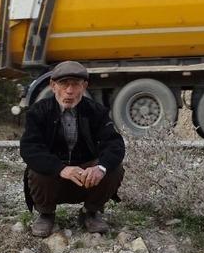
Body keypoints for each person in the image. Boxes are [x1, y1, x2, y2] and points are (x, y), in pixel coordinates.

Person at [20, 61, 126, 237]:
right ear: (53, 86)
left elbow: (114, 144)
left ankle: (90, 212)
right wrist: (61, 169)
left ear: (84, 86)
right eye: (63, 84)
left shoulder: (96, 111)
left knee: (113, 168)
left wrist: (99, 168)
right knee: (37, 170)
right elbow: (30, 148)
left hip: (86, 180)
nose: (69, 91)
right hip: (54, 180)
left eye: (75, 84)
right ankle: (46, 214)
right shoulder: (38, 111)